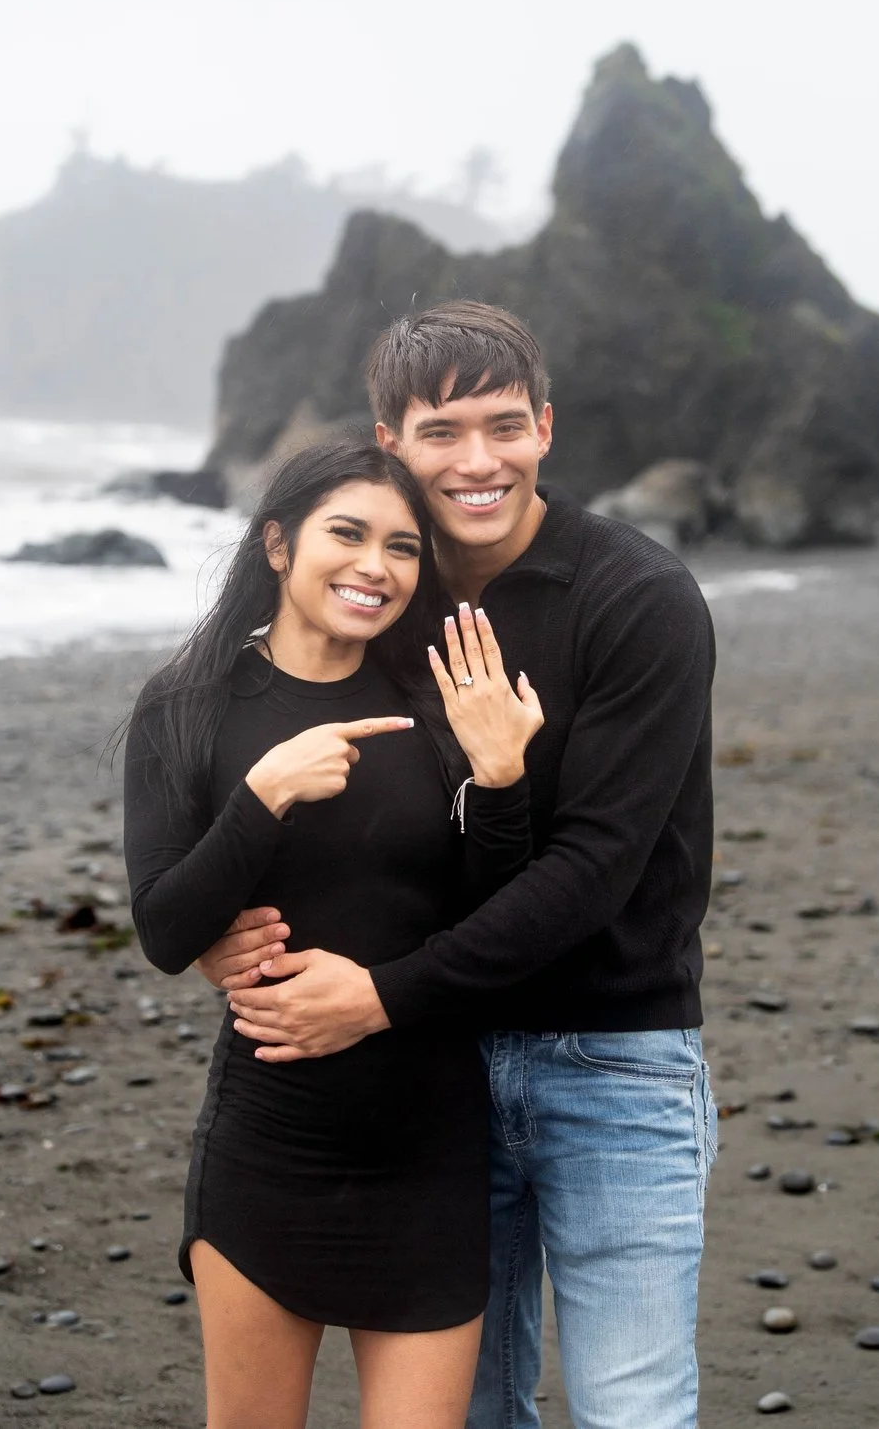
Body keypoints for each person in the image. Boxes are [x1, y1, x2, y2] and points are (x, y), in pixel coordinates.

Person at [205, 302, 720, 1429]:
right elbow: (263, 745)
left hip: (612, 1052)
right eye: (441, 430)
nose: (476, 460)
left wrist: (380, 992)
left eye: (502, 425)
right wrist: (218, 922)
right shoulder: (381, 596)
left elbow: (595, 869)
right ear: (391, 440)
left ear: (545, 428)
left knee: (631, 1408)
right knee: (472, 1411)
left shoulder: (637, 599)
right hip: (433, 1071)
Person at [122, 439, 548, 1429]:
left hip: (431, 1149)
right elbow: (164, 926)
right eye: (346, 533)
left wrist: (500, 780)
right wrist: (263, 794)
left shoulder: (434, 705)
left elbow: (497, 919)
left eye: (402, 547)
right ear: (278, 542)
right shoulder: (189, 704)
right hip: (270, 1143)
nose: (375, 565)